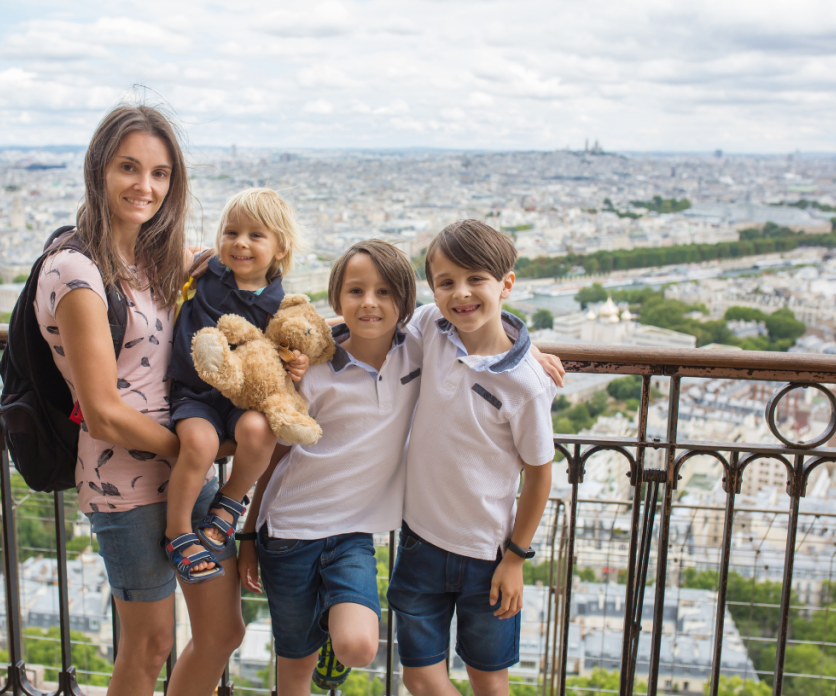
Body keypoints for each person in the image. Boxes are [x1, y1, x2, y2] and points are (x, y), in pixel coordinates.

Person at [236, 239, 564, 696]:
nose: (370, 303)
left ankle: (334, 628)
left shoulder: (420, 340)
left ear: (407, 303)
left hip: (355, 532)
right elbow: (276, 456)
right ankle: (325, 629)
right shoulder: (311, 367)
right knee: (293, 667)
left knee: (358, 646)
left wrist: (530, 353)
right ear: (337, 298)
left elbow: (482, 329)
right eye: (355, 292)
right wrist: (249, 533)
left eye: (386, 292)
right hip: (290, 529)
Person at [36, 104, 241, 696]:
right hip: (123, 480)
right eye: (129, 167)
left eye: (160, 173)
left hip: (184, 465)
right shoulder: (75, 270)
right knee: (148, 644)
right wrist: (198, 449)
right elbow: (102, 410)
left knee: (222, 630)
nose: (145, 186)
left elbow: (260, 296)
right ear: (99, 170)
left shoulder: (156, 259)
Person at [387, 220, 556, 696]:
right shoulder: (431, 327)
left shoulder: (525, 384)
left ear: (506, 284)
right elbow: (369, 322)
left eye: (475, 279)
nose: (460, 293)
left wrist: (517, 558)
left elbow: (541, 477)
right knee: (420, 679)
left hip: (489, 555)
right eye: (446, 282)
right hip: (421, 541)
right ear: (433, 290)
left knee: (488, 683)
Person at [163, 188, 309, 583]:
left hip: (242, 398)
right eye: (231, 233)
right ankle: (176, 530)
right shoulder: (206, 270)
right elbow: (166, 253)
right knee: (200, 443)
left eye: (255, 236)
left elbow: (286, 346)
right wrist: (197, 255)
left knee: (259, 429)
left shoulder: (279, 304)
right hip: (194, 392)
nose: (240, 243)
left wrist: (297, 361)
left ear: (281, 248)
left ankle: (231, 499)